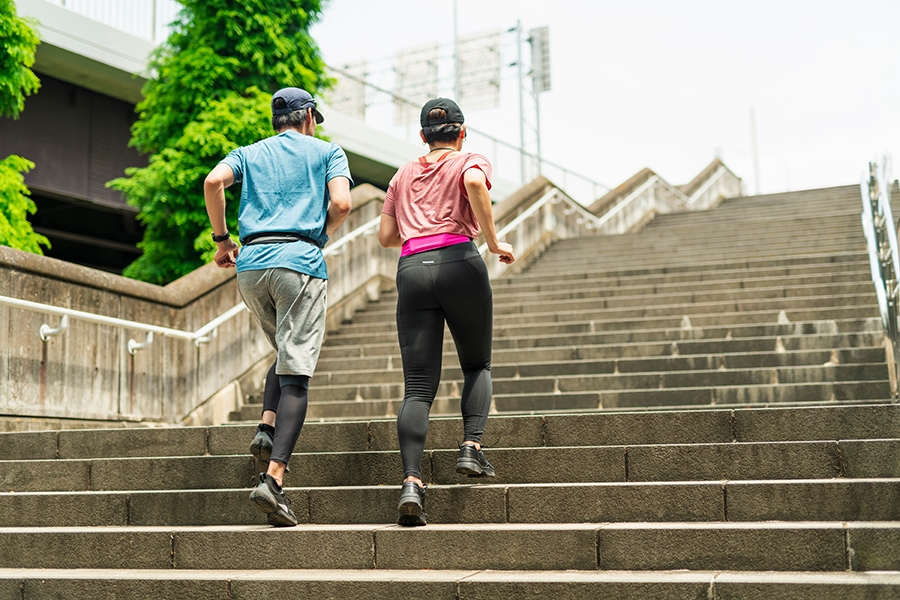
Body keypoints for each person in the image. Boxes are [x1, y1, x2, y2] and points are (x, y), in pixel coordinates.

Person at [204, 87, 353, 527]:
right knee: (297, 374)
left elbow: (213, 182)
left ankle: (266, 426)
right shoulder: (329, 152)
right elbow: (342, 203)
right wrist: (319, 233)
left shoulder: (248, 153)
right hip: (299, 262)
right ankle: (274, 480)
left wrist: (221, 240)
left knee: (284, 349)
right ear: (308, 116)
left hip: (250, 265)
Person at [378, 98, 515, 526]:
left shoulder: (403, 174)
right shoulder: (470, 159)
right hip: (459, 261)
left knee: (418, 387)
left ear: (422, 136)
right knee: (477, 364)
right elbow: (475, 183)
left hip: (412, 268)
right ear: (462, 131)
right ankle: (471, 448)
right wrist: (492, 242)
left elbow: (386, 236)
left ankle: (412, 483)